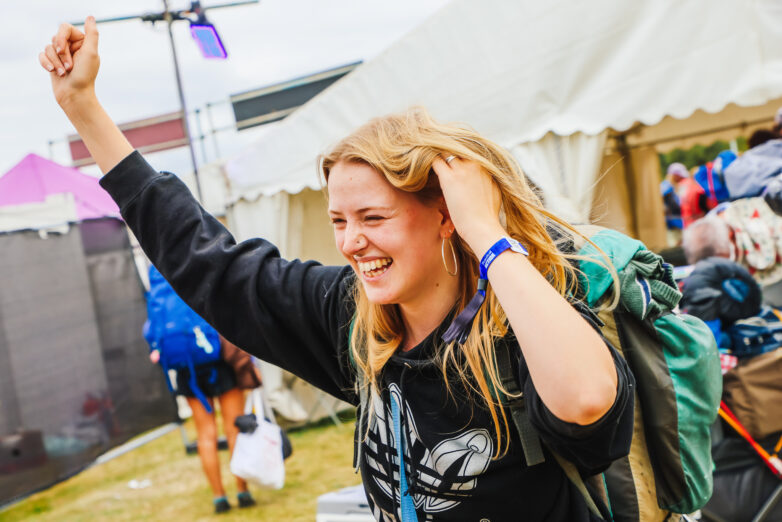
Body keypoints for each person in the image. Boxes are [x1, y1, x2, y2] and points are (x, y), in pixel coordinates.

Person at [40, 19, 633, 521]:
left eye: (373, 216)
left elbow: (586, 403)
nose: (352, 243)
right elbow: (209, 263)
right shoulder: (354, 316)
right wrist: (83, 108)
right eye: (339, 220)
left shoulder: (527, 319)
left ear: (445, 216)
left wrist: (489, 235)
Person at [145, 266, 261, 514]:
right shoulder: (194, 264)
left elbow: (150, 330)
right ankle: (243, 491)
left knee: (205, 434)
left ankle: (219, 497)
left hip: (188, 370)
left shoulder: (157, 278)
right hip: (218, 361)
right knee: (233, 428)